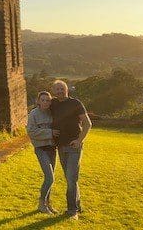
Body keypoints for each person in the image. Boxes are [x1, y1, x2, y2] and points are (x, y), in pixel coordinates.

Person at [50, 79, 92, 219]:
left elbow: (87, 124)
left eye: (62, 88)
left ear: (67, 90)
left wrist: (79, 140)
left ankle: (72, 211)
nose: (60, 91)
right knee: (70, 179)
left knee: (71, 177)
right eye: (57, 89)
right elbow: (41, 109)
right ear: (53, 92)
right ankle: (77, 206)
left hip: (74, 146)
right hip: (61, 147)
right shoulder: (53, 104)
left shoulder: (75, 103)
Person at [26, 91, 60, 214]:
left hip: (52, 149)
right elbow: (31, 131)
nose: (46, 102)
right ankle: (41, 204)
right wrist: (50, 133)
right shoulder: (33, 114)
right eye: (43, 100)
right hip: (41, 149)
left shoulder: (52, 113)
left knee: (50, 178)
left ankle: (48, 204)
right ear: (38, 101)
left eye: (48, 100)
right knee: (50, 178)